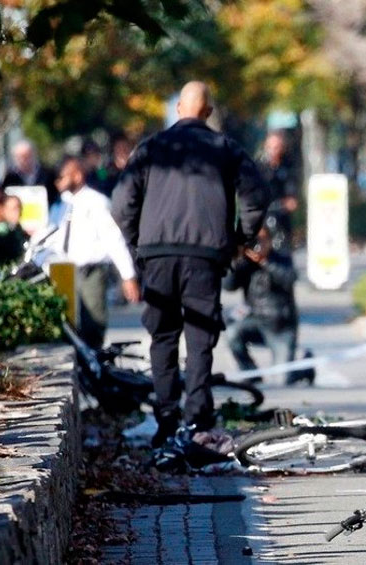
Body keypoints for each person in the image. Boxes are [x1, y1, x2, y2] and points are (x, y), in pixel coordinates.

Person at [112, 81, 269, 447]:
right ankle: (196, 421)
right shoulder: (225, 148)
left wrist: (139, 242)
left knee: (163, 337)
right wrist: (239, 240)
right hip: (205, 256)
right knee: (200, 340)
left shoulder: (151, 148)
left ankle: (166, 420)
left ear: (179, 108)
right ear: (209, 112)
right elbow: (257, 195)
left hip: (157, 256)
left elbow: (122, 205)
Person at [50, 156, 141, 349]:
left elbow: (113, 239)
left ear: (77, 175)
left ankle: (95, 366)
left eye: (63, 177)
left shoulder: (96, 202)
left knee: (93, 323)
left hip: (90, 272)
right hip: (63, 272)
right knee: (67, 326)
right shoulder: (60, 205)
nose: (58, 182)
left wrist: (128, 276)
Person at [223, 227, 313, 386]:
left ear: (270, 241)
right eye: (255, 241)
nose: (258, 244)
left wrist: (265, 261)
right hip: (255, 322)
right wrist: (237, 260)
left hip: (281, 327)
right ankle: (250, 371)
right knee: (231, 333)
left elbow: (289, 279)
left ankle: (305, 368)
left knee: (282, 380)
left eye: (262, 240)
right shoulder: (246, 264)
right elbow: (229, 286)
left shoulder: (281, 259)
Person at [258, 130, 299, 252]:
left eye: (277, 147)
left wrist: (287, 202)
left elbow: (291, 199)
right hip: (262, 216)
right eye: (270, 147)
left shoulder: (288, 166)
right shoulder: (259, 166)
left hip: (281, 217)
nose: (273, 150)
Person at [0, 140, 59, 209]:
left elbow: (55, 196)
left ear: (33, 155)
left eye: (26, 156)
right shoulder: (10, 178)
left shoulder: (48, 174)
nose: (22, 160)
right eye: (19, 157)